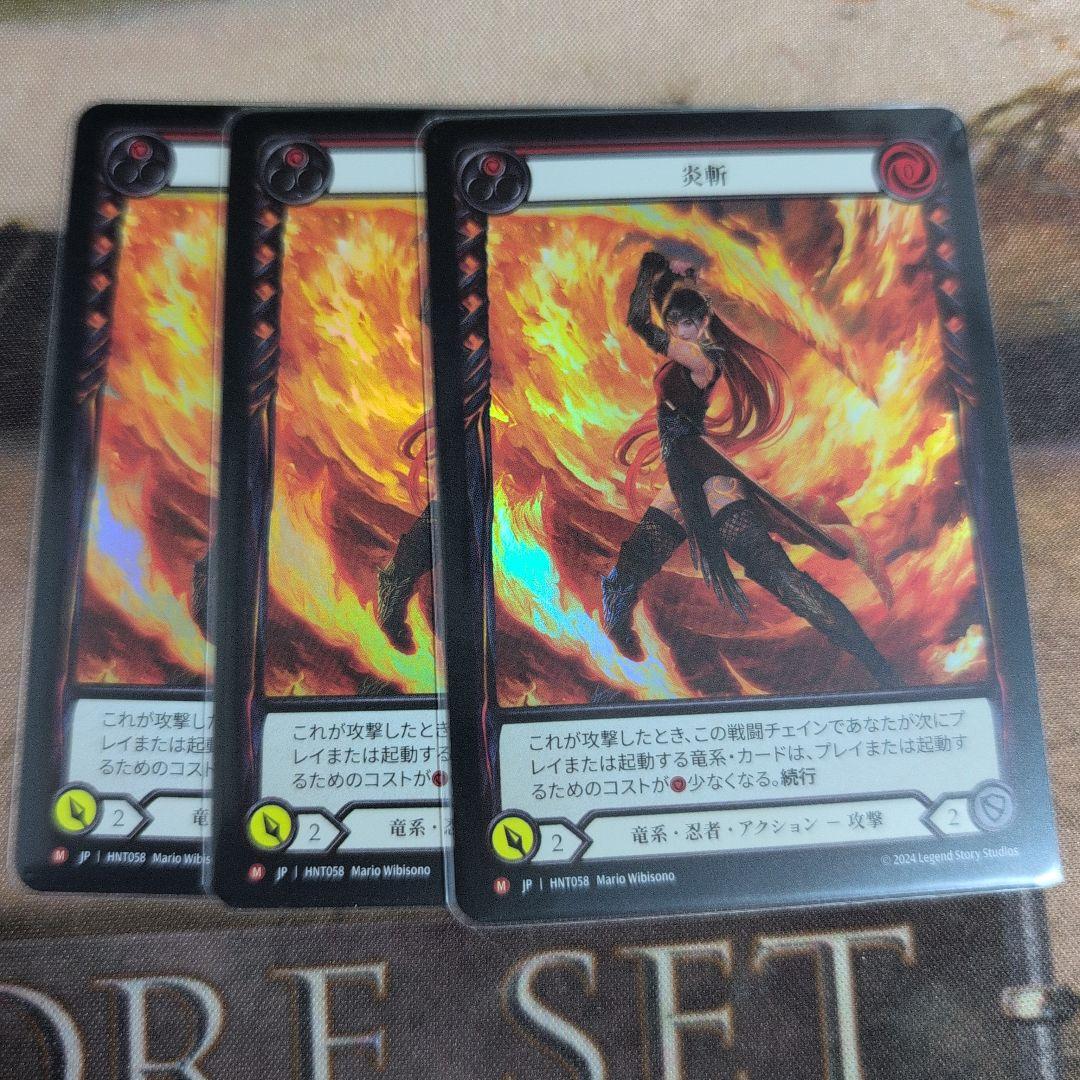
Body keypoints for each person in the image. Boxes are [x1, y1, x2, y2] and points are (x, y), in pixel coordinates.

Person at [601, 250, 897, 688]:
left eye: (689, 324)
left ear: (703, 324)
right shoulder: (689, 349)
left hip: (704, 474)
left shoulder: (699, 359)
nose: (680, 330)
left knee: (773, 570)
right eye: (676, 323)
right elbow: (659, 316)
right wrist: (670, 278)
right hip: (683, 476)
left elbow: (639, 322)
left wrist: (649, 268)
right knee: (639, 556)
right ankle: (616, 599)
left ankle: (868, 656)